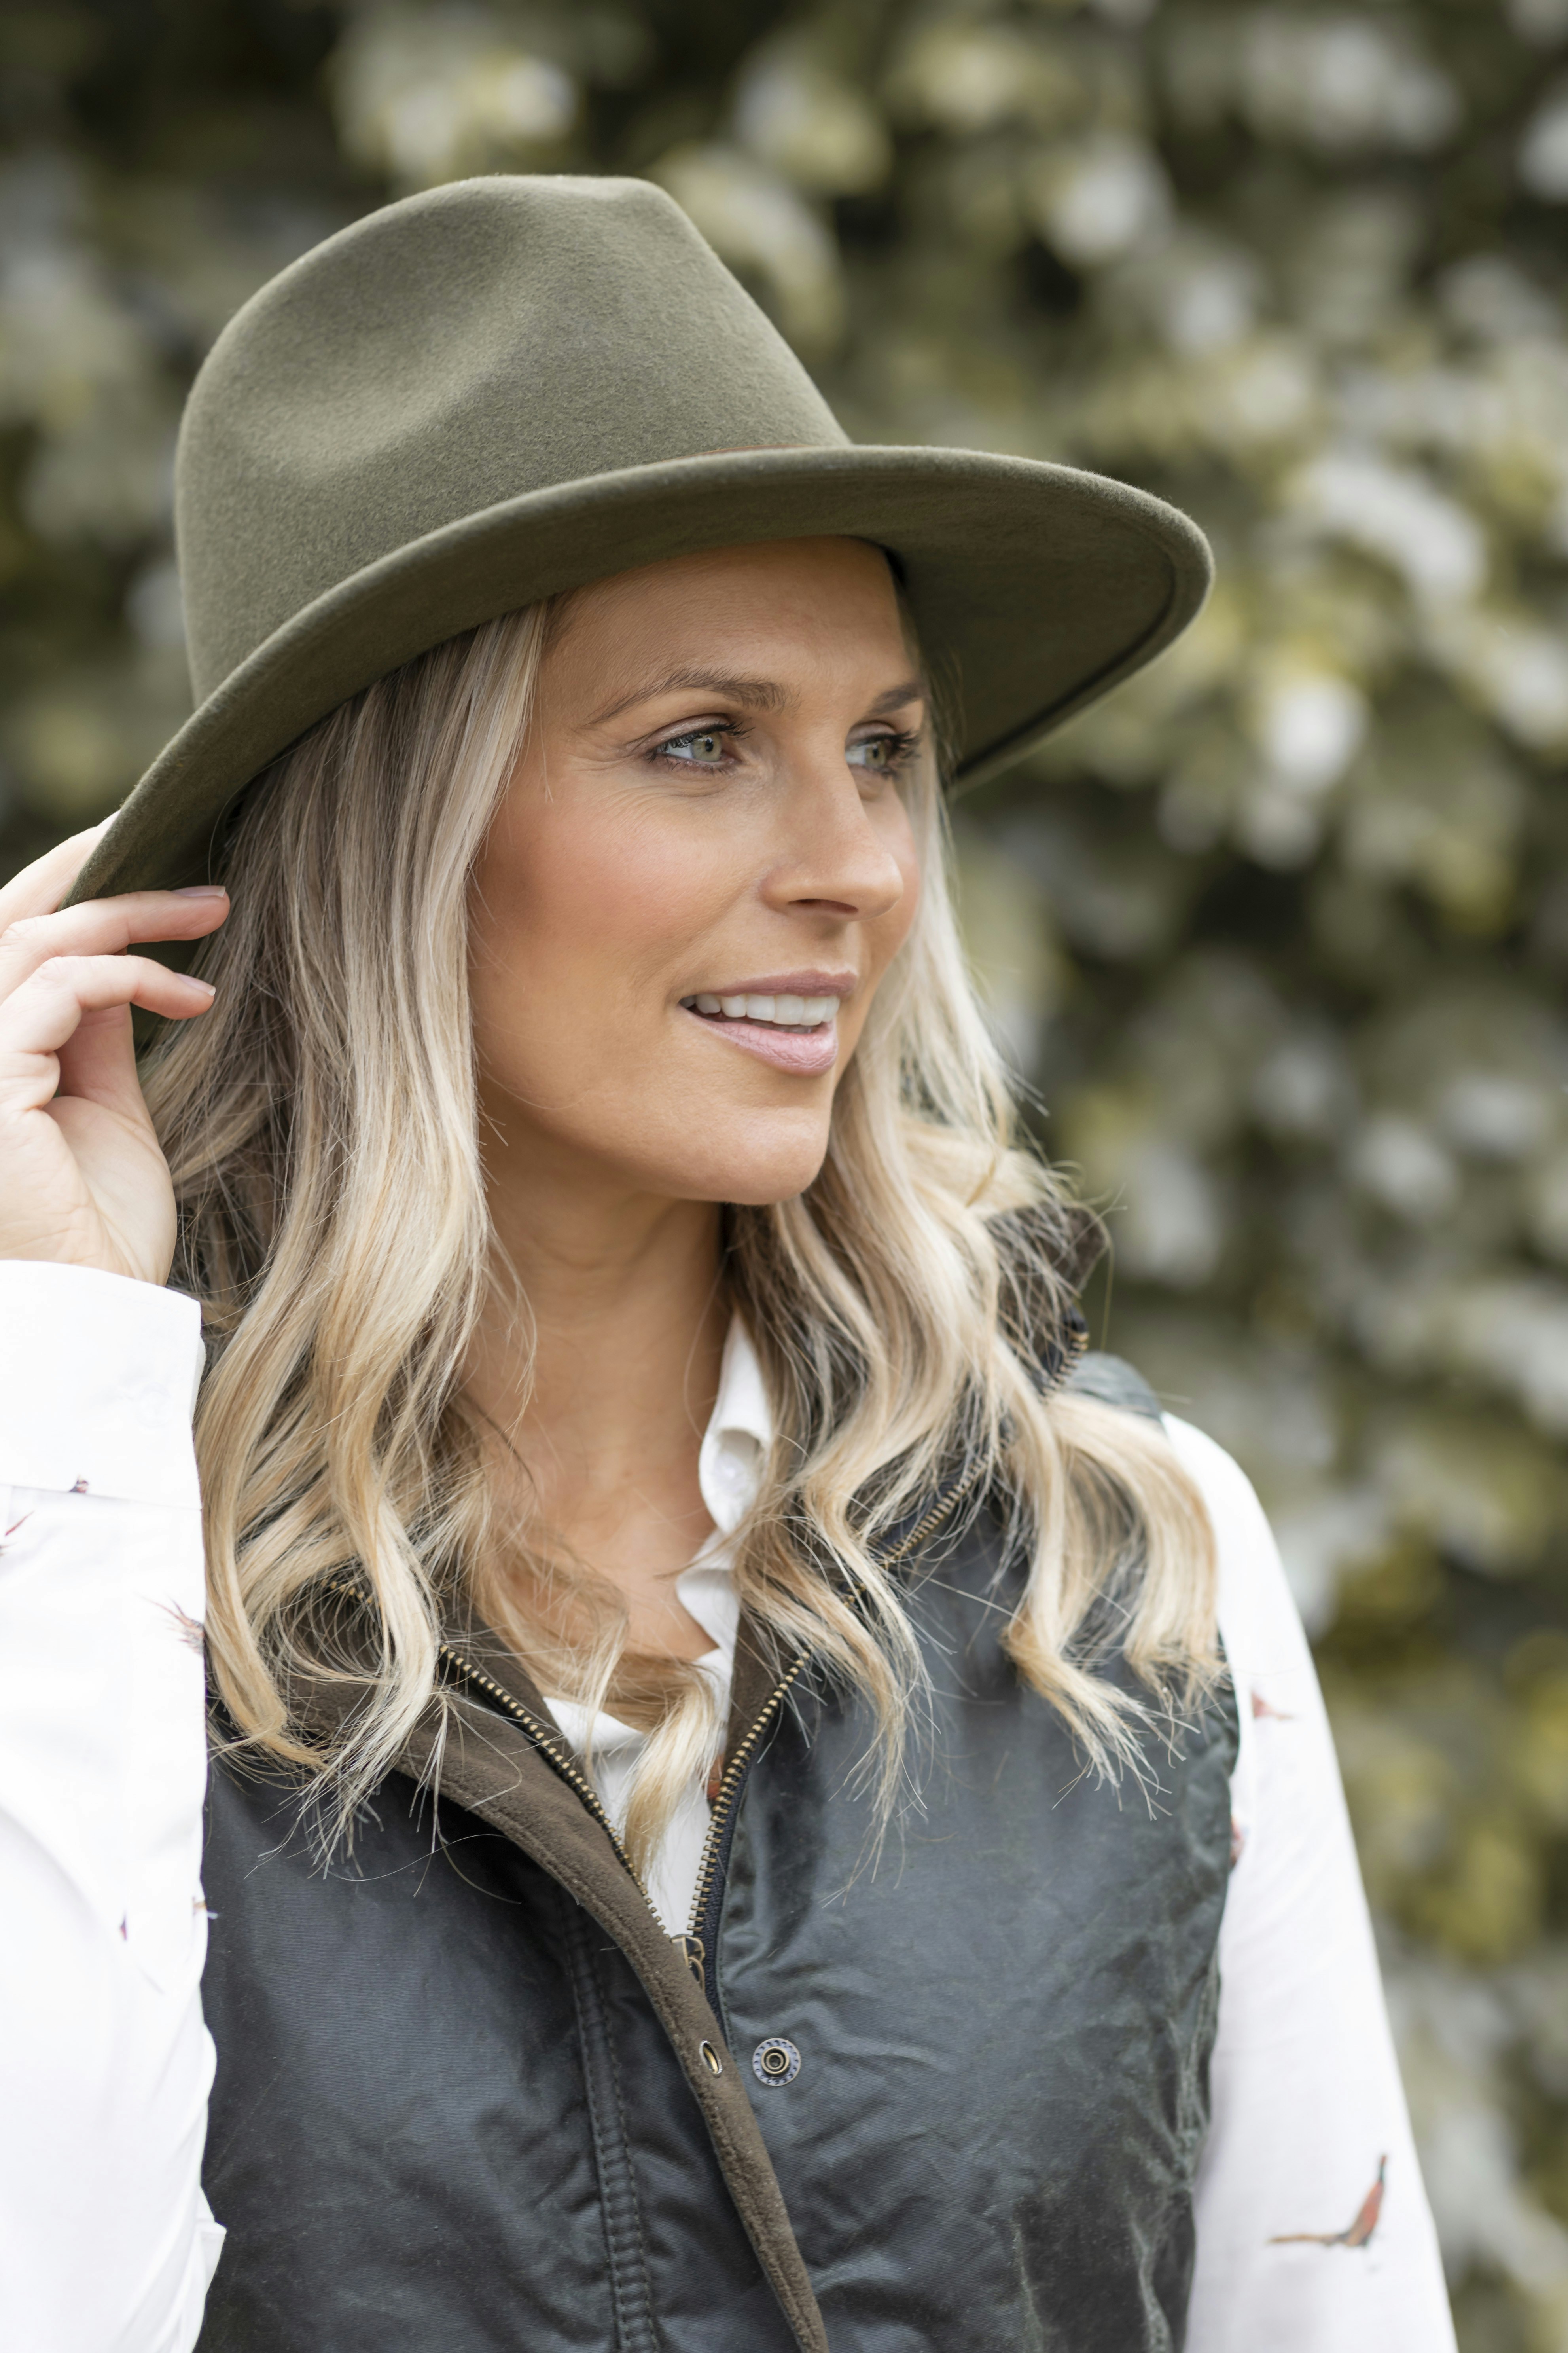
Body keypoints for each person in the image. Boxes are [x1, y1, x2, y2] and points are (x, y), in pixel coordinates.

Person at [0, 176, 1454, 2353]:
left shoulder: (1120, 1564)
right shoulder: (73, 1547)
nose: (860, 865)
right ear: (392, 829)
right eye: (705, 745)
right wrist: (64, 1383)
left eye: (883, 749)